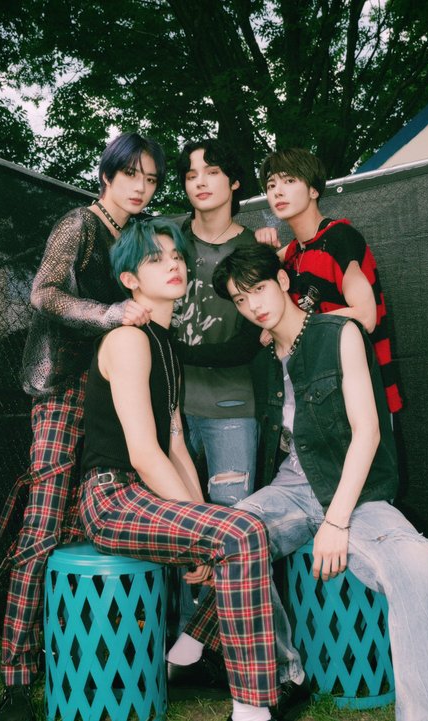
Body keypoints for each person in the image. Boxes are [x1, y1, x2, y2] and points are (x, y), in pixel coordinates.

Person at [212, 244, 428, 721]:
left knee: (419, 564)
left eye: (259, 289)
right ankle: (280, 679)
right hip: (293, 487)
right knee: (230, 534)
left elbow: (368, 432)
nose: (253, 305)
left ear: (282, 281)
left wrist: (336, 522)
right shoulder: (263, 359)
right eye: (240, 299)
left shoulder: (339, 333)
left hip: (354, 490)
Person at [0, 131, 166, 721]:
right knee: (43, 525)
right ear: (107, 174)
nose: (141, 187)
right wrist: (109, 313)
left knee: (89, 526)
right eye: (131, 174)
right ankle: (18, 679)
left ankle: (85, 652)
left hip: (116, 389)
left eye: (151, 179)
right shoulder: (79, 224)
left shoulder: (137, 235)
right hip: (64, 387)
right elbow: (43, 294)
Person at [78, 218, 281, 721]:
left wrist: (201, 520)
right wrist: (201, 534)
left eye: (176, 256)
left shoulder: (164, 343)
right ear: (130, 280)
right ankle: (252, 709)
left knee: (246, 532)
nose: (173, 264)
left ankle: (187, 650)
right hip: (111, 498)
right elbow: (144, 453)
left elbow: (175, 445)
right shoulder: (129, 340)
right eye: (155, 259)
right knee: (239, 535)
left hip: (142, 494)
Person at [170, 139, 262, 646]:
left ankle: (222, 645)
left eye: (211, 170)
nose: (200, 181)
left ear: (235, 182)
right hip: (168, 409)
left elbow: (249, 345)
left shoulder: (253, 248)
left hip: (231, 407)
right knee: (177, 526)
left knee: (231, 526)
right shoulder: (167, 240)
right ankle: (180, 642)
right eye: (190, 174)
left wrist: (173, 351)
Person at [255, 148, 402, 413]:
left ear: (313, 190)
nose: (277, 191)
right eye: (271, 185)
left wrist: (294, 325)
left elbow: (366, 315)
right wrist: (261, 250)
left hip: (361, 387)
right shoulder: (292, 252)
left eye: (289, 181)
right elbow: (249, 280)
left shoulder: (339, 238)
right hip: (319, 390)